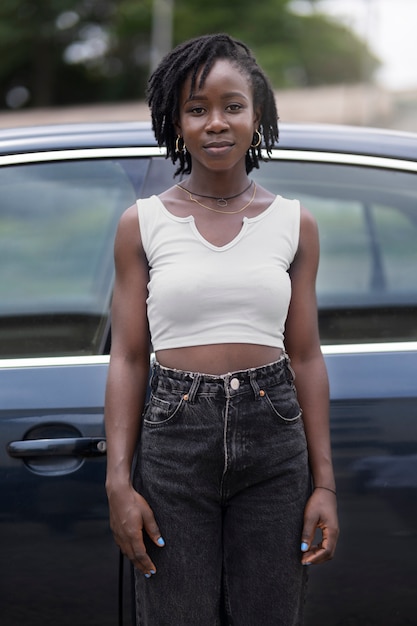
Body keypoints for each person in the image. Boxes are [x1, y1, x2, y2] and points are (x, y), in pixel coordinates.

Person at [105, 33, 339, 626]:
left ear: (256, 114)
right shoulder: (142, 224)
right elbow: (129, 358)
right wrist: (118, 483)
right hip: (175, 443)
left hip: (274, 439)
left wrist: (325, 485)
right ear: (175, 121)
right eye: (196, 108)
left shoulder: (294, 224)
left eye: (232, 106)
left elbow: (306, 357)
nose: (216, 122)